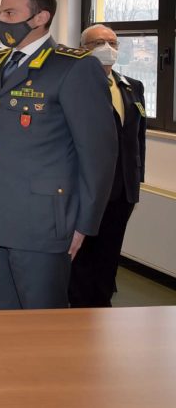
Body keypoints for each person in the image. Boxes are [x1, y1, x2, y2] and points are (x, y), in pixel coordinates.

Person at [0, 0, 116, 310]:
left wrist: (84, 224)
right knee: (4, 314)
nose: (1, 21)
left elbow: (97, 154)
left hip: (43, 221)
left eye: (10, 13)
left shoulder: (74, 66)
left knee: (42, 320)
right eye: (0, 13)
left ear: (40, 17)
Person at [68, 24, 147, 308]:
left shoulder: (132, 86)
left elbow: (138, 138)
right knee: (81, 252)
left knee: (109, 252)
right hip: (86, 186)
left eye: (113, 42)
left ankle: (101, 306)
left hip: (123, 187)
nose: (108, 48)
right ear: (83, 49)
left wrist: (137, 179)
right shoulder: (73, 85)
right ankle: (77, 307)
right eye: (99, 42)